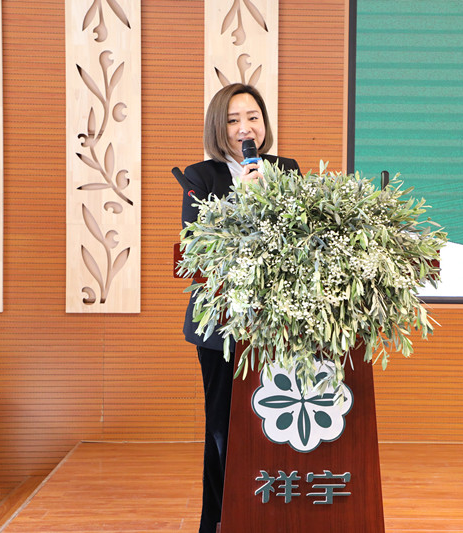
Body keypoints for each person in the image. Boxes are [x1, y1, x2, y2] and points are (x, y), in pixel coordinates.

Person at [180, 83, 301, 533]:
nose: (244, 128)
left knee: (274, 425)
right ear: (219, 127)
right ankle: (217, 523)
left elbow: (300, 238)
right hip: (221, 326)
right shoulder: (200, 176)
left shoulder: (286, 170)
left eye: (252, 117)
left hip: (278, 321)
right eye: (233, 120)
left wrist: (275, 200)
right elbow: (195, 248)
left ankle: (272, 517)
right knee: (224, 429)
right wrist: (240, 200)